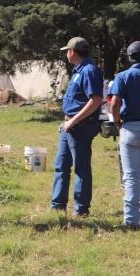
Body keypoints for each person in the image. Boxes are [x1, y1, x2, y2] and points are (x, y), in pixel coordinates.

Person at [51, 37, 103, 218]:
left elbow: (96, 100)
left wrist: (73, 121)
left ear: (72, 52)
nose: (66, 53)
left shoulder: (89, 70)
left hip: (80, 127)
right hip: (70, 125)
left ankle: (81, 209)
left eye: (67, 50)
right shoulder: (78, 70)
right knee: (61, 165)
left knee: (81, 168)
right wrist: (66, 120)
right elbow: (76, 100)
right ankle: (58, 206)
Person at [109, 41, 140, 229]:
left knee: (130, 176)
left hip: (129, 129)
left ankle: (130, 220)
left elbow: (114, 104)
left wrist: (117, 121)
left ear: (129, 57)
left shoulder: (122, 76)